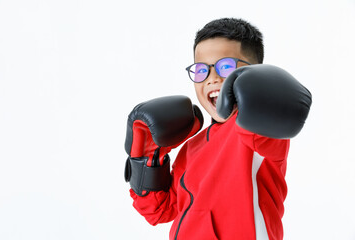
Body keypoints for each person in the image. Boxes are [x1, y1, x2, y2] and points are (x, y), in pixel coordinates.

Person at [124, 18, 312, 240]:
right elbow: (161, 211)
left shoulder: (259, 128)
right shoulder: (192, 147)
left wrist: (258, 92)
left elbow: (277, 110)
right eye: (201, 70)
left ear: (253, 74)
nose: (212, 78)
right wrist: (148, 157)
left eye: (226, 67)